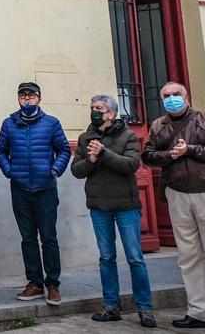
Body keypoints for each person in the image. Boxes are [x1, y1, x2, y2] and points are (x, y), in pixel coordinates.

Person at [143, 83, 205, 334]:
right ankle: (196, 311)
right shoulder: (158, 126)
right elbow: (148, 156)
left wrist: (190, 149)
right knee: (188, 256)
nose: (171, 99)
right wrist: (170, 156)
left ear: (186, 97)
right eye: (166, 96)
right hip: (177, 194)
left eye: (176, 95)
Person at [71, 95, 156, 328]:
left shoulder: (127, 135)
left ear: (111, 113)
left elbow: (131, 165)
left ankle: (145, 308)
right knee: (106, 257)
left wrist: (104, 153)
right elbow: (77, 170)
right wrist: (89, 159)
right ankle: (111, 306)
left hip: (126, 206)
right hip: (99, 206)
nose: (94, 111)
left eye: (99, 108)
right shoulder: (85, 137)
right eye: (92, 108)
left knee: (135, 258)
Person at [0, 81, 71, 306]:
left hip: (45, 188)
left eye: (31, 96)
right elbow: (0, 150)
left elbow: (64, 149)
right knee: (28, 238)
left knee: (48, 237)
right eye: (23, 96)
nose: (27, 99)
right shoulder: (9, 124)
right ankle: (35, 283)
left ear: (39, 98)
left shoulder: (51, 123)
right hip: (20, 189)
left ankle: (53, 284)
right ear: (18, 98)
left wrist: (55, 169)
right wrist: (9, 171)